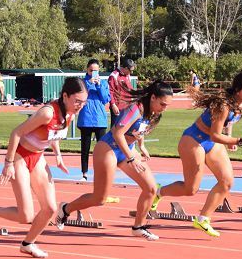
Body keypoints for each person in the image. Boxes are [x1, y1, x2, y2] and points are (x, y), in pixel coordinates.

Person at [0, 78, 88, 258]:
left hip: (38, 157)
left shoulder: (70, 114)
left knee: (50, 208)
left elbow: (54, 135)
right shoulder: (47, 113)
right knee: (25, 216)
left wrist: (58, 156)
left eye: (83, 102)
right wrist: (8, 163)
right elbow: (16, 133)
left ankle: (28, 243)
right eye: (77, 101)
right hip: (20, 156)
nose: (80, 106)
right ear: (65, 96)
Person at [58, 81, 173, 241]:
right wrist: (132, 157)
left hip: (127, 149)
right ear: (153, 97)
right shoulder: (135, 109)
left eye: (167, 105)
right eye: (162, 104)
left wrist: (142, 146)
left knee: (151, 188)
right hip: (109, 149)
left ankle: (138, 227)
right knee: (100, 199)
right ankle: (65, 209)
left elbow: (138, 130)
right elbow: (119, 134)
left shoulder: (153, 112)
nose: (164, 108)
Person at [154, 72, 242, 238]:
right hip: (194, 140)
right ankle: (158, 192)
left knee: (227, 181)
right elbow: (215, 135)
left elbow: (227, 123)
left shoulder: (241, 106)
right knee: (190, 189)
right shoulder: (223, 105)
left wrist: (230, 139)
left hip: (211, 142)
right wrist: (237, 141)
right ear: (238, 90)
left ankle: (203, 219)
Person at [76, 59, 111, 182]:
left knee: (102, 149)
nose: (93, 73)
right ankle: (84, 173)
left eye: (96, 71)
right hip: (86, 119)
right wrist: (89, 83)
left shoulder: (104, 83)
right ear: (87, 70)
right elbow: (79, 96)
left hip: (99, 120)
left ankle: (102, 173)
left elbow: (106, 99)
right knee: (85, 149)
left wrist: (99, 85)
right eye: (91, 70)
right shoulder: (81, 82)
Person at [108, 58, 136, 127]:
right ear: (126, 68)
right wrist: (113, 105)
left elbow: (130, 90)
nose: (131, 73)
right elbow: (110, 92)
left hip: (127, 107)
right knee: (115, 130)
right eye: (131, 70)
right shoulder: (114, 76)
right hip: (117, 108)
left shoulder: (127, 75)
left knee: (126, 130)